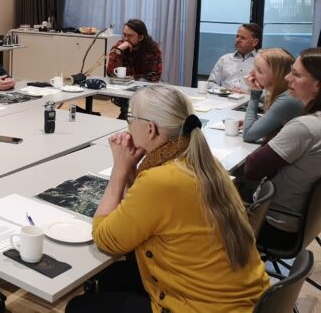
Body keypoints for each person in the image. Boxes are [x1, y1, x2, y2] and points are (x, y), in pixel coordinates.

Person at [67, 85, 268, 312]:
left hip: (199, 306)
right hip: (242, 300)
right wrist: (132, 170)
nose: (128, 125)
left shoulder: (161, 180)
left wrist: (119, 170)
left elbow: (107, 240)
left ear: (150, 129)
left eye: (130, 118)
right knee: (112, 277)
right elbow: (144, 211)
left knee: (78, 306)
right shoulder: (203, 162)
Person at [244, 47, 321, 250]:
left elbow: (252, 169)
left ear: (317, 85)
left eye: (296, 74)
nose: (287, 78)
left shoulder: (305, 127)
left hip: (272, 224)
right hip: (303, 222)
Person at [242, 47, 303, 143]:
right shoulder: (286, 95)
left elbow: (248, 135)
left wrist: (255, 93)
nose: (251, 73)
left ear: (277, 76)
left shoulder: (287, 99)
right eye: (254, 67)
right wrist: (256, 122)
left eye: (259, 71)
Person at [208, 23, 261, 92]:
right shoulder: (224, 59)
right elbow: (211, 83)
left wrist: (248, 94)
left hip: (249, 101)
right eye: (237, 36)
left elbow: (269, 91)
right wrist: (225, 91)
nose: (238, 40)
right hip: (225, 99)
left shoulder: (262, 62)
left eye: (243, 38)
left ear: (255, 42)